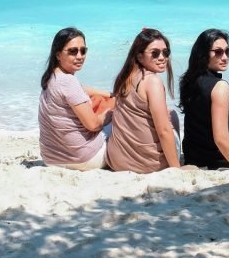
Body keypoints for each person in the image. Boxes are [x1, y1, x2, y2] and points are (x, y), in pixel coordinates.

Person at [179, 28, 229, 173]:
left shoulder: (188, 81)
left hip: (195, 157)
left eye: (228, 51)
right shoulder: (220, 87)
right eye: (218, 52)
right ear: (203, 54)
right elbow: (221, 138)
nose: (225, 57)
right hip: (223, 160)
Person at [106, 27, 182, 173]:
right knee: (172, 115)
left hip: (117, 161)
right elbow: (164, 131)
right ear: (140, 57)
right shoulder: (152, 82)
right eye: (155, 53)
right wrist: (176, 170)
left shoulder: (125, 77)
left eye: (165, 52)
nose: (162, 57)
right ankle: (174, 161)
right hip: (146, 164)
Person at [38, 27, 113, 170]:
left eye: (83, 51)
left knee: (102, 101)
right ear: (58, 54)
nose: (79, 56)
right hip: (83, 159)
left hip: (51, 159)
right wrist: (111, 113)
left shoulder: (50, 78)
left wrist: (109, 94)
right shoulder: (68, 82)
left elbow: (81, 88)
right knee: (123, 119)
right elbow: (93, 125)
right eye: (73, 51)